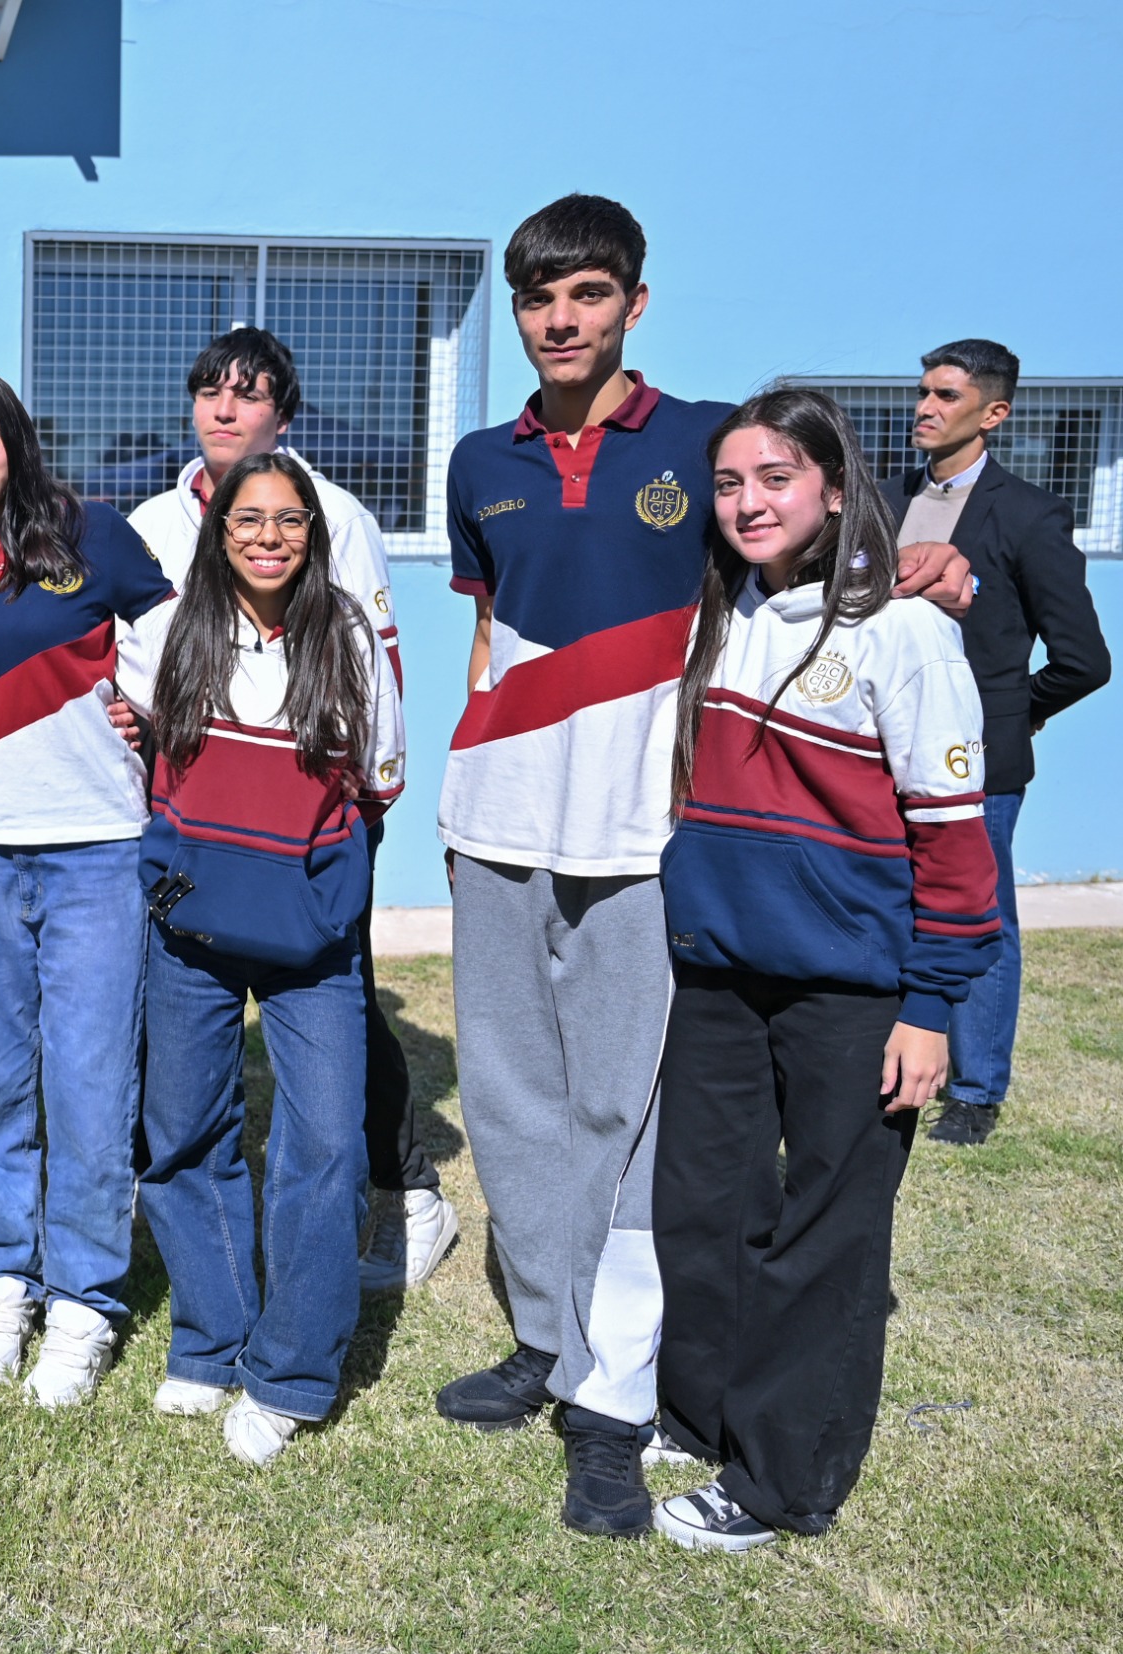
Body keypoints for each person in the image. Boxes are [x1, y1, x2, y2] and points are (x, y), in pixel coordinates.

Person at [433, 197, 972, 1539]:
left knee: (628, 1127)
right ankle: (549, 1338)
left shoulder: (705, 442)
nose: (561, 319)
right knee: (511, 1104)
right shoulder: (477, 459)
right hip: (495, 823)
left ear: (635, 303)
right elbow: (491, 636)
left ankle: (613, 1392)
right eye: (538, 298)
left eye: (588, 293)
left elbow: (800, 538)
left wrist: (925, 560)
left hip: (636, 841)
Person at [651, 389, 998, 1550]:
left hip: (851, 990)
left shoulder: (904, 631)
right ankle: (700, 1413)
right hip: (717, 973)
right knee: (701, 1204)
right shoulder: (720, 609)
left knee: (825, 1232)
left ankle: (781, 1479)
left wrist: (931, 1005)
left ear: (836, 489)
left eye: (775, 478)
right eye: (728, 482)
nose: (747, 502)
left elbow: (953, 840)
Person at [124, 326, 457, 1295]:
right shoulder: (152, 520)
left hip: (309, 813)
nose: (225, 408)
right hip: (194, 819)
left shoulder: (332, 513)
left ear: (284, 413)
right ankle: (181, 1200)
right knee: (177, 1001)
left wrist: (352, 818)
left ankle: (404, 1183)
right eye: (209, 390)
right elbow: (131, 661)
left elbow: (373, 672)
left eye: (249, 392)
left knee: (337, 1003)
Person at [125, 450, 404, 1464]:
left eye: (289, 519)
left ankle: (288, 1371)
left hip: (309, 939)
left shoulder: (350, 637)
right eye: (248, 517)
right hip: (189, 929)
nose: (268, 536)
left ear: (313, 533)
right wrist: (171, 881)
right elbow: (134, 752)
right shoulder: (166, 630)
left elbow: (379, 781)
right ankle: (210, 1336)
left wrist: (312, 880)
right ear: (218, 528)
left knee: (324, 1145)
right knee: (183, 1133)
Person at [0, 366, 175, 1409]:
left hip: (96, 849)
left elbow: (181, 650)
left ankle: (83, 1296)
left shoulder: (96, 532)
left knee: (89, 1081)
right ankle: (4, 1277)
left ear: (16, 437)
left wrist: (148, 712)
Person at [877, 340, 1110, 1145]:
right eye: (922, 392)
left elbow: (1084, 660)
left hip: (980, 761)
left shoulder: (1029, 514)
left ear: (995, 413)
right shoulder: (883, 498)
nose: (924, 407)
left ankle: (975, 1091)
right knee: (887, 902)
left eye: (946, 395)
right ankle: (888, 1060)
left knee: (980, 917)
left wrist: (1012, 714)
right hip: (879, 749)